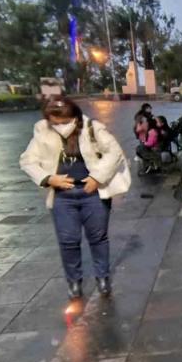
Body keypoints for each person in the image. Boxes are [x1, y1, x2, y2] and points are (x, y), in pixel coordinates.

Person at [20, 96, 130, 299]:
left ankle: (103, 277)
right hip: (63, 197)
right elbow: (27, 161)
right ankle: (74, 282)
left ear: (74, 116)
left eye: (65, 121)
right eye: (56, 123)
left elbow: (114, 153)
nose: (61, 126)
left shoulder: (91, 128)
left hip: (92, 193)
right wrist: (48, 178)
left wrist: (97, 177)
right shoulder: (42, 131)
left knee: (98, 238)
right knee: (68, 240)